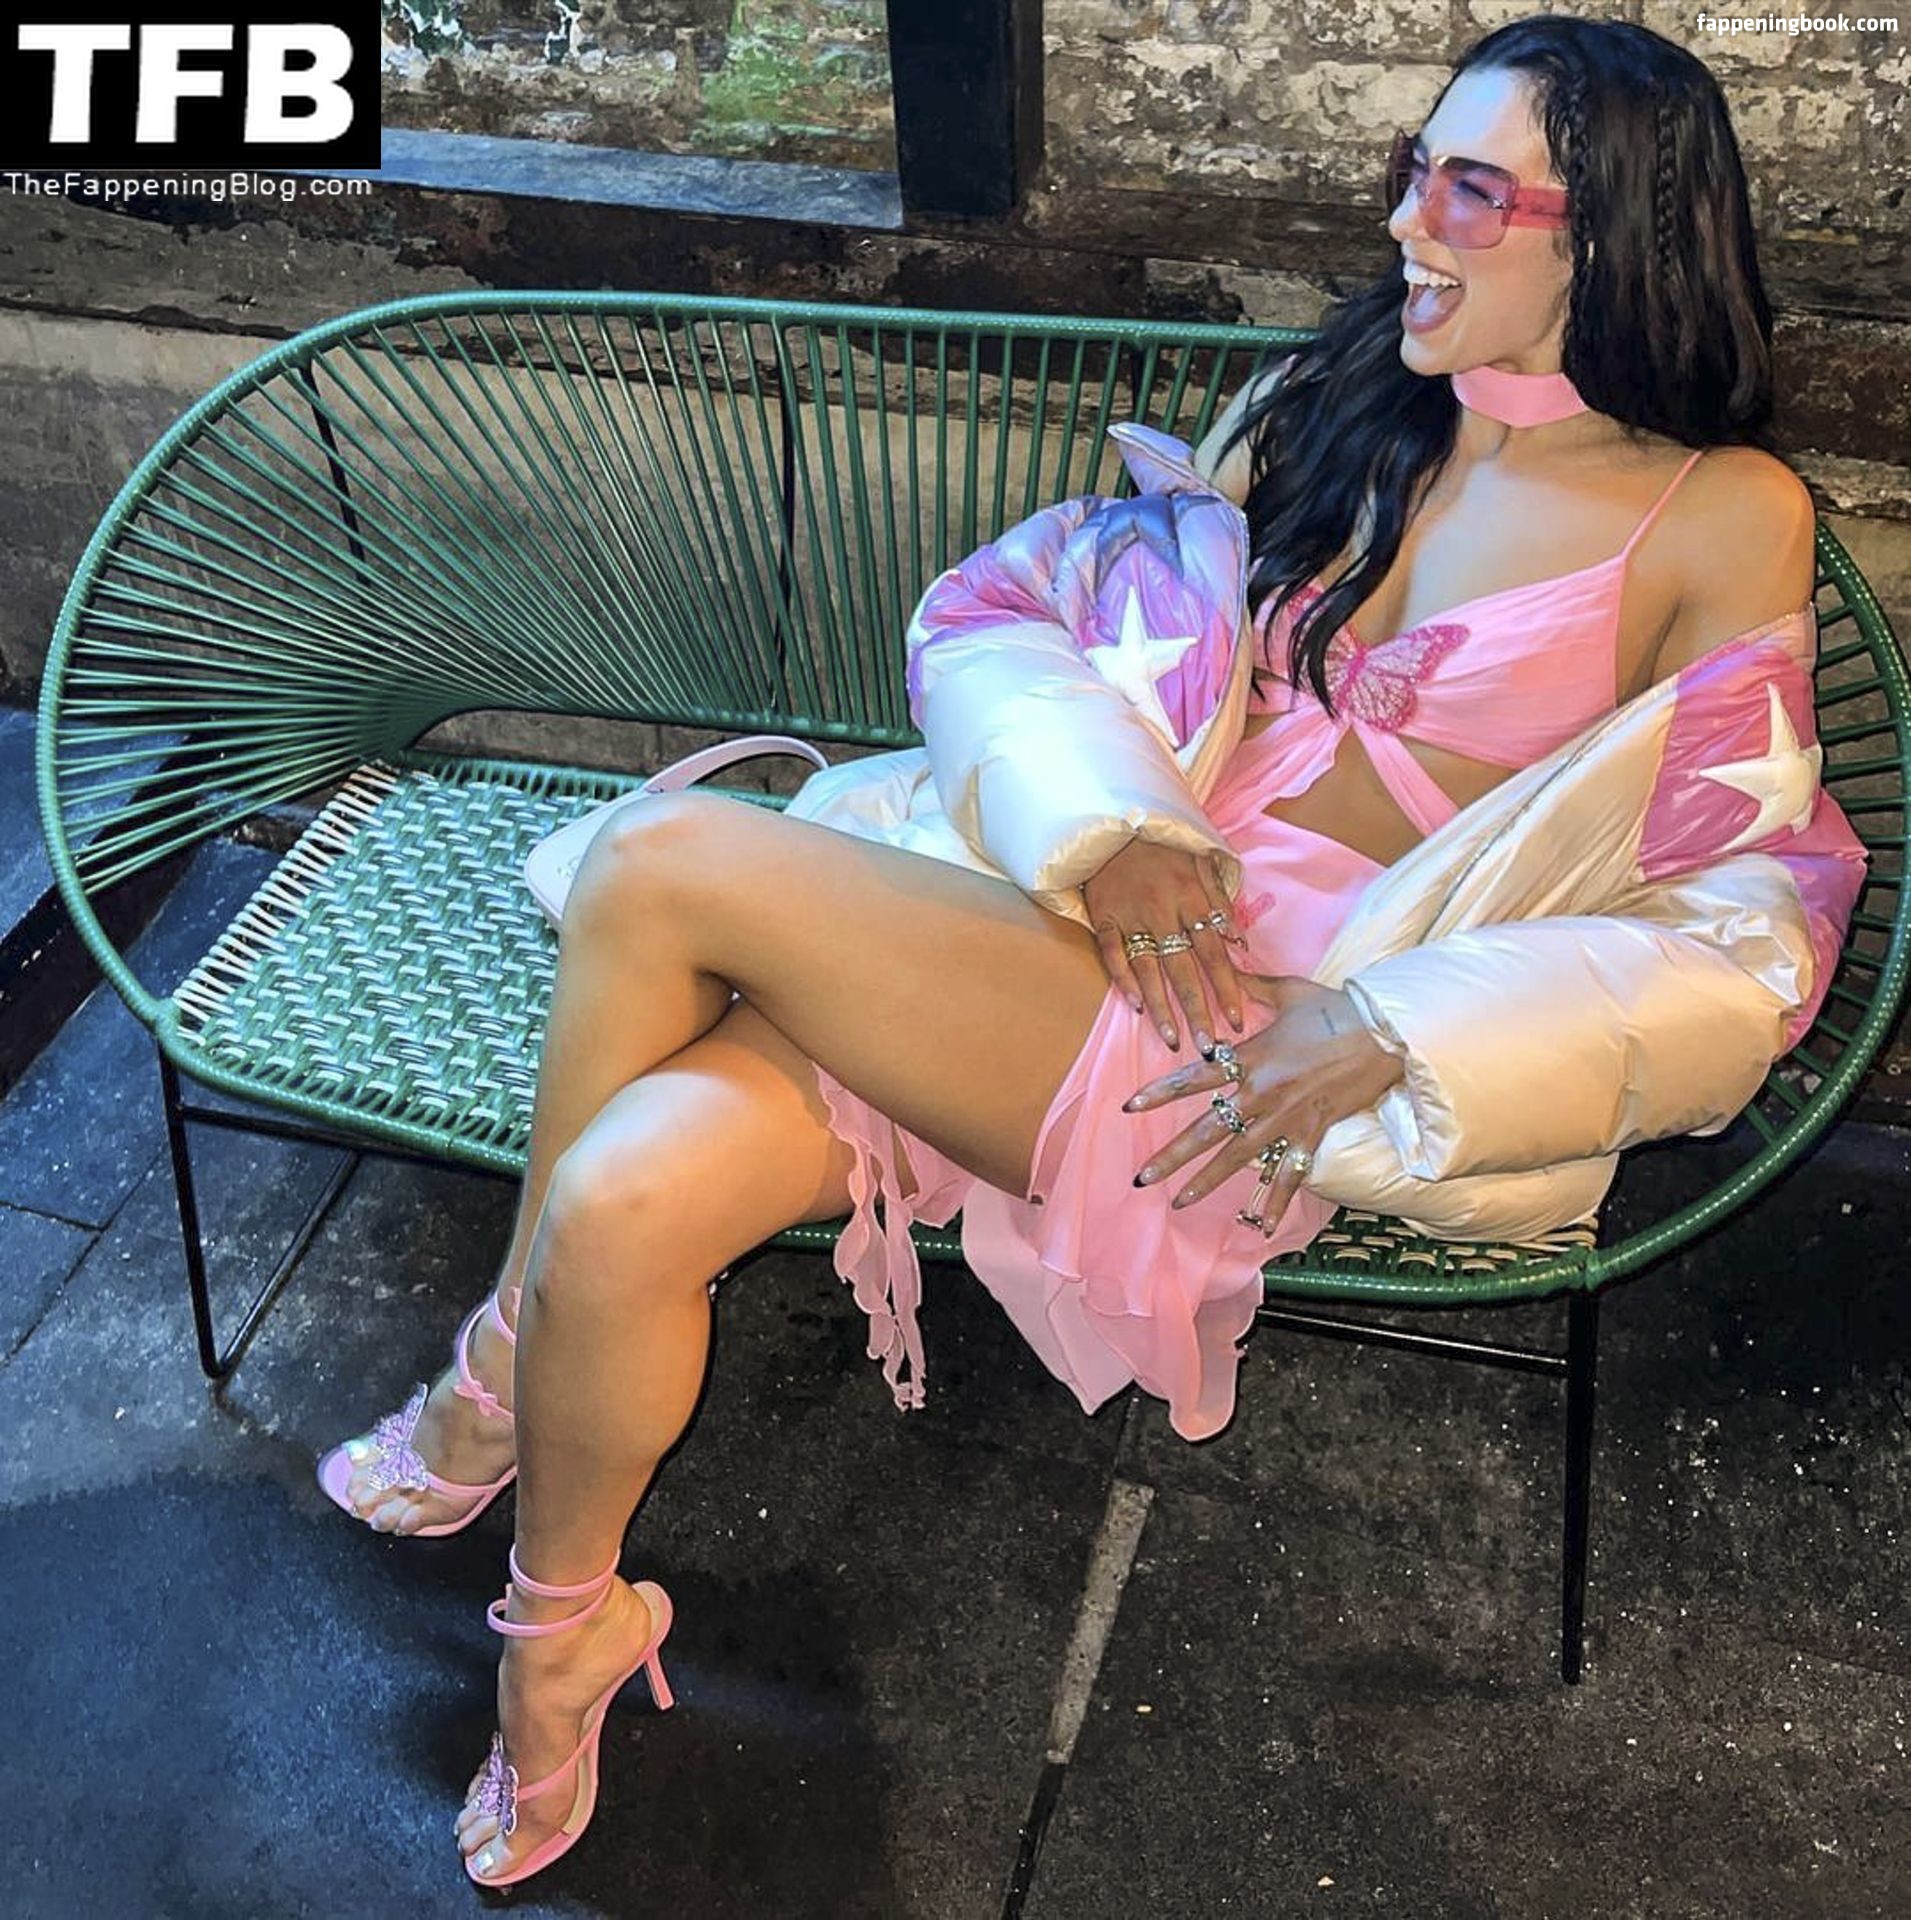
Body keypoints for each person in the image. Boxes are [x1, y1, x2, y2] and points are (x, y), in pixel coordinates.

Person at [315, 13, 1848, 1886]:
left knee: (663, 857)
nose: (1404, 225)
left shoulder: (1722, 514)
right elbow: (1017, 616)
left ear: (1611, 230)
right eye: (1411, 171)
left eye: (1468, 189)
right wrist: (1104, 830)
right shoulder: (1342, 401)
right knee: (623, 1196)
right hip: (1044, 923)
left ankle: (496, 1365)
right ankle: (562, 1638)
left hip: (1238, 1042)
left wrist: (1395, 1026)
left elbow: (1750, 919)